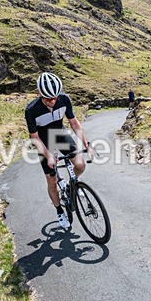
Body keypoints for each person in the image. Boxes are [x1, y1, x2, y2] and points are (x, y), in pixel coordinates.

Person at [25, 72, 93, 229]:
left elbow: (74, 123)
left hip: (59, 134)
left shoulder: (64, 99)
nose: (53, 101)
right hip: (44, 141)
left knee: (80, 165)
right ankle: (59, 210)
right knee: (52, 181)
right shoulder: (31, 110)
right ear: (39, 94)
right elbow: (34, 137)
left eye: (55, 97)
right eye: (48, 98)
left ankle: (71, 187)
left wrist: (86, 143)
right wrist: (48, 156)